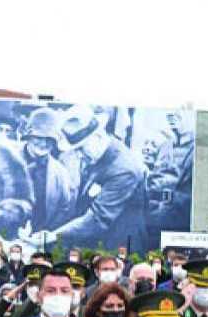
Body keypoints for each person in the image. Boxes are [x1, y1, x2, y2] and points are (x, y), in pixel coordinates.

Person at [27, 106, 148, 251]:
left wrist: (53, 236)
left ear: (97, 137)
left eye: (80, 148)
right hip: (97, 243)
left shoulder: (124, 169)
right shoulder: (96, 156)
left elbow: (98, 218)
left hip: (121, 248)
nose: (78, 155)